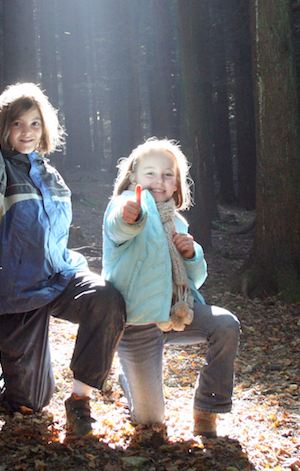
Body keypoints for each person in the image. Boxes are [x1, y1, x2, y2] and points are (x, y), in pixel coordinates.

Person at [0, 82, 126, 437]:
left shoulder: (51, 175)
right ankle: (9, 378)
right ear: (4, 128)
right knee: (30, 402)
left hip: (61, 276)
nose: (27, 131)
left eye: (35, 123)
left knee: (106, 298)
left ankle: (80, 400)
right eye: (18, 123)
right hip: (19, 290)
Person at [102, 138, 240, 439]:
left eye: (167, 174)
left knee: (226, 325)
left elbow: (195, 279)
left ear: (177, 183)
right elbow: (118, 226)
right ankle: (128, 379)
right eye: (150, 173)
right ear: (134, 177)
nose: (158, 181)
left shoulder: (176, 220)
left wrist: (192, 254)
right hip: (137, 322)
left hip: (177, 312)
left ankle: (208, 408)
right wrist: (132, 217)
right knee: (151, 420)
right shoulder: (124, 205)